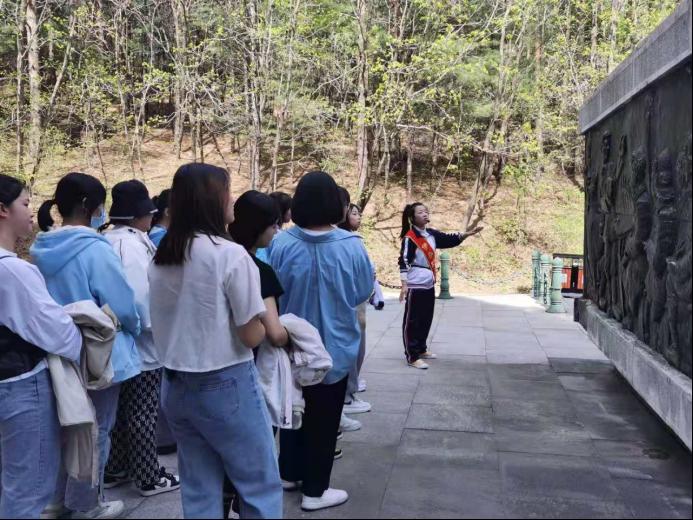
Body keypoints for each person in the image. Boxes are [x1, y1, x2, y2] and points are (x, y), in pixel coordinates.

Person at [149, 163, 282, 519]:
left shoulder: (162, 256)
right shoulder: (230, 255)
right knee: (258, 483)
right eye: (228, 191)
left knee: (199, 487)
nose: (232, 200)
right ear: (211, 201)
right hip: (226, 382)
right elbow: (251, 335)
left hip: (175, 382)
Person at [31, 172, 142, 519]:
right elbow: (122, 304)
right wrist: (136, 327)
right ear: (88, 206)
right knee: (97, 429)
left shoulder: (41, 249)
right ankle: (87, 503)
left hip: (57, 350)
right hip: (99, 352)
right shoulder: (95, 249)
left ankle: (55, 500)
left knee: (65, 426)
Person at [269, 171, 373, 512]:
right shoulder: (351, 246)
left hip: (291, 345)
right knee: (325, 420)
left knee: (293, 407)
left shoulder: (281, 243)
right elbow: (362, 291)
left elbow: (272, 293)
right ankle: (315, 491)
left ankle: (289, 472)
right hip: (335, 346)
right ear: (335, 205)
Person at [0, 174, 83, 519]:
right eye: (25, 203)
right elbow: (58, 333)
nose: (31, 212)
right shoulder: (12, 271)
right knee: (28, 489)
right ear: (2, 210)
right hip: (20, 386)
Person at [102, 180, 180, 497]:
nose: (152, 217)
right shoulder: (130, 246)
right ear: (138, 216)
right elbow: (139, 299)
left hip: (119, 343)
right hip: (141, 343)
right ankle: (148, 476)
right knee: (142, 412)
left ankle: (117, 467)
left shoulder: (110, 239)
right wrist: (157, 327)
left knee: (123, 411)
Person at [398, 203, 482, 369]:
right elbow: (404, 261)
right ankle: (412, 356)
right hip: (415, 283)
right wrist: (404, 284)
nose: (425, 214)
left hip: (428, 283)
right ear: (412, 217)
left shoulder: (431, 234)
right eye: (420, 212)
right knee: (413, 320)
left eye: (426, 211)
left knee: (426, 317)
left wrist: (465, 235)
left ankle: (421, 348)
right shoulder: (410, 237)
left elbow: (449, 239)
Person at [335, 200, 372, 417]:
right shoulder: (350, 243)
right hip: (351, 304)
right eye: (353, 212)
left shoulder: (286, 241)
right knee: (351, 347)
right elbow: (365, 283)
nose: (358, 216)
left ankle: (349, 389)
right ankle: (347, 397)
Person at [255, 191, 292, 263]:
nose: (291, 211)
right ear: (283, 209)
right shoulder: (278, 236)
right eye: (289, 208)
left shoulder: (265, 230)